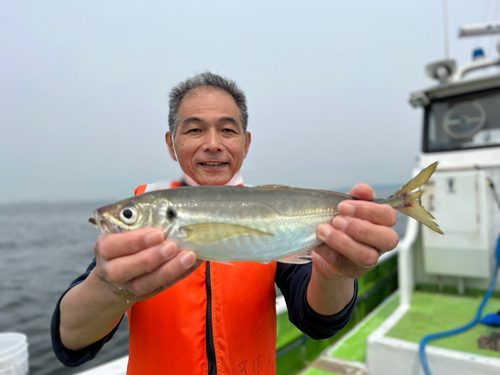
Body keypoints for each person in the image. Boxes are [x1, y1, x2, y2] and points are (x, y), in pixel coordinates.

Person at [51, 72, 399, 374]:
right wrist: (110, 288)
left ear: (245, 144)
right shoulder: (148, 217)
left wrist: (334, 272)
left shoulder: (276, 210)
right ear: (172, 145)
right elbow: (72, 341)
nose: (213, 145)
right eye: (195, 130)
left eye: (227, 130)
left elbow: (318, 321)